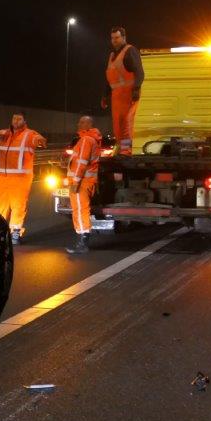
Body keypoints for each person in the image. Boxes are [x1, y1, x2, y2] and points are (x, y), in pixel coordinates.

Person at [0, 113, 47, 244]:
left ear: (25, 121)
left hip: (21, 178)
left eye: (19, 119)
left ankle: (15, 233)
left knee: (18, 205)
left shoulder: (29, 135)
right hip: (2, 177)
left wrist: (40, 140)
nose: (16, 121)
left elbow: (40, 142)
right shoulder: (2, 133)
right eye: (14, 118)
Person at [101, 26, 144, 155]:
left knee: (126, 125)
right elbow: (110, 80)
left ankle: (127, 152)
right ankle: (122, 150)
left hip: (128, 95)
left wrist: (136, 89)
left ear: (123, 37)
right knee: (118, 127)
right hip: (116, 98)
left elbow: (139, 72)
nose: (114, 40)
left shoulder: (130, 51)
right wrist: (105, 96)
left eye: (117, 37)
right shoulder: (112, 56)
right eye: (112, 38)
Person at [65, 115, 102, 254]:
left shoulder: (86, 140)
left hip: (81, 182)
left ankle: (82, 243)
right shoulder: (91, 139)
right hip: (85, 181)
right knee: (81, 209)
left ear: (89, 124)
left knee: (80, 210)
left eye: (82, 122)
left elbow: (81, 163)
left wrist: (75, 181)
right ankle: (82, 240)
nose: (78, 124)